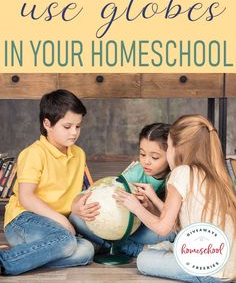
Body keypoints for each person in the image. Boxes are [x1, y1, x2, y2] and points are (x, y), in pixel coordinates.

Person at [114, 114, 236, 282]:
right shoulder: (215, 174)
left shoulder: (181, 173)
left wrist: (136, 206)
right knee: (170, 243)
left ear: (179, 149)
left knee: (144, 260)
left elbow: (164, 227)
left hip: (207, 272)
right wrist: (153, 199)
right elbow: (176, 220)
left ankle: (132, 247)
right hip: (229, 267)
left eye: (169, 147)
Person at [0, 89, 96, 276]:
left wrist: (76, 207)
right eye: (67, 127)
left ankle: (29, 258)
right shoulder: (34, 153)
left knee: (86, 251)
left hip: (54, 227)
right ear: (47, 123)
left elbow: (75, 193)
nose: (74, 133)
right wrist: (61, 219)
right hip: (23, 220)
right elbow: (26, 198)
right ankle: (5, 261)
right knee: (67, 242)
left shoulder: (78, 154)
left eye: (78, 126)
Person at [70, 123, 175, 256]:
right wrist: (76, 205)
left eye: (155, 157)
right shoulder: (136, 173)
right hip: (127, 226)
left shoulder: (176, 177)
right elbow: (106, 189)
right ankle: (137, 249)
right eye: (142, 154)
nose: (146, 162)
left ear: (171, 154)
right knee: (75, 218)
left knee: (171, 233)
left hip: (153, 227)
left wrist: (149, 207)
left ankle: (108, 244)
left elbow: (172, 223)